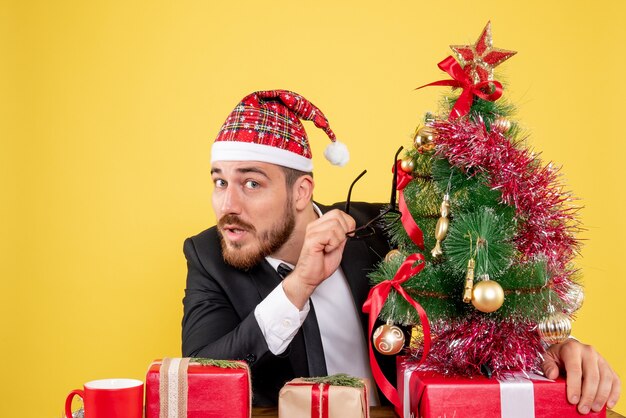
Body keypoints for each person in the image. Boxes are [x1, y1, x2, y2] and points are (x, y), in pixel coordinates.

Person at [182, 90, 620, 414]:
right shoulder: (209, 254)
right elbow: (200, 378)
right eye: (220, 181)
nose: (229, 206)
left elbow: (479, 310)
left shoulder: (384, 230)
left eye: (251, 183)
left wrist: (555, 348)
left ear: (302, 192)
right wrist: (300, 284)